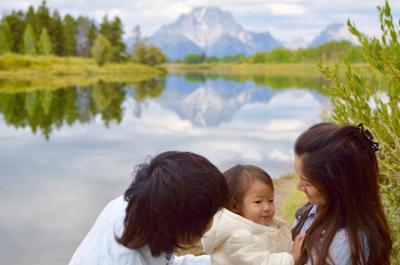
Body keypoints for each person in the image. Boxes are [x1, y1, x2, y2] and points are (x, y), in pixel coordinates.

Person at [69, 151, 228, 265]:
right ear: (180, 226)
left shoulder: (132, 205)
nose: (211, 223)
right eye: (210, 215)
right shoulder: (123, 258)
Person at [292, 122, 393, 265]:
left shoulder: (341, 248)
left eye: (307, 182)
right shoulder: (322, 207)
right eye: (298, 175)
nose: (299, 187)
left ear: (336, 187)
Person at [202, 164, 304, 265]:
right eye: (258, 202)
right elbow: (262, 262)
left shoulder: (263, 224)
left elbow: (275, 247)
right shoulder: (237, 237)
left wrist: (294, 247)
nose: (267, 207)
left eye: (270, 200)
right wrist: (292, 258)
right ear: (235, 206)